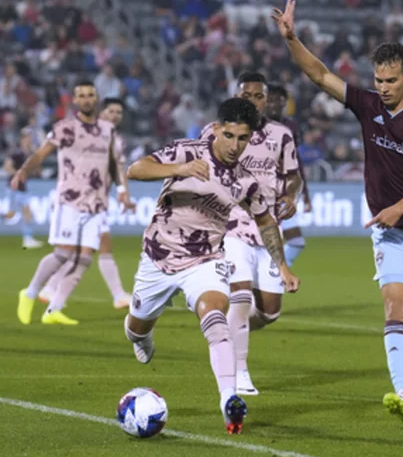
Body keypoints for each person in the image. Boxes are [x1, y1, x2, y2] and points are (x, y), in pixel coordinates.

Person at [272, 0, 403, 423]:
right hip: (392, 234)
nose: (382, 87)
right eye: (377, 80)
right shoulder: (367, 105)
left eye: (389, 80)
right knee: (394, 307)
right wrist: (293, 39)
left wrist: (397, 207)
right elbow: (318, 74)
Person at [124, 98, 300, 435]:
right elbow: (136, 169)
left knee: (216, 316)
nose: (235, 146)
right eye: (230, 136)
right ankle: (142, 339)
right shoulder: (187, 151)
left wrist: (282, 265)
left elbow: (265, 221)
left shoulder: (245, 181)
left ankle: (229, 399)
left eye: (243, 139)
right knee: (136, 327)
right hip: (158, 257)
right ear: (217, 129)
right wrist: (178, 169)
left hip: (206, 260)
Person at [204, 72, 303, 396]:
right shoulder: (216, 131)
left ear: (266, 100)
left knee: (271, 310)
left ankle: (231, 332)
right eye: (246, 94)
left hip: (267, 228)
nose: (253, 100)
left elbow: (294, 176)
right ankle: (239, 370)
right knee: (241, 296)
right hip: (230, 226)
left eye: (258, 96)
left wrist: (290, 195)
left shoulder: (281, 135)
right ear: (237, 95)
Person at [12, 81, 129, 326]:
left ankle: (54, 309)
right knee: (63, 254)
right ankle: (30, 292)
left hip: (96, 205)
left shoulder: (107, 130)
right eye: (82, 96)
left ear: (96, 99)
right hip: (70, 201)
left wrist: (122, 191)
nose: (87, 99)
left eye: (91, 95)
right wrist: (23, 171)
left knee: (84, 258)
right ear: (75, 101)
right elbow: (41, 154)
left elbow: (114, 164)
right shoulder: (64, 128)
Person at [39, 98, 136, 309]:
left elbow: (119, 169)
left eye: (119, 112)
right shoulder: (86, 133)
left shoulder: (115, 139)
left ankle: (50, 289)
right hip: (79, 201)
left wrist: (122, 192)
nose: (115, 115)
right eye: (111, 111)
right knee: (93, 248)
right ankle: (117, 295)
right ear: (101, 112)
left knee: (81, 251)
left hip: (96, 201)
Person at [264, 82, 312, 267]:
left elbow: (296, 163)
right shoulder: (254, 126)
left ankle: (275, 272)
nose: (275, 105)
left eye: (279, 101)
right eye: (271, 100)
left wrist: (304, 194)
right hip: (261, 192)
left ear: (285, 103)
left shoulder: (291, 126)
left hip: (284, 192)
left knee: (296, 242)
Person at [4, 129, 44, 249]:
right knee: (12, 214)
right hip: (14, 186)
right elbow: (7, 167)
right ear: (22, 139)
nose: (29, 139)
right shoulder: (17, 152)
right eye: (27, 137)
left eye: (30, 137)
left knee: (26, 212)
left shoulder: (30, 153)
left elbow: (37, 168)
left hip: (22, 187)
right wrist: (18, 174)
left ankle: (28, 239)